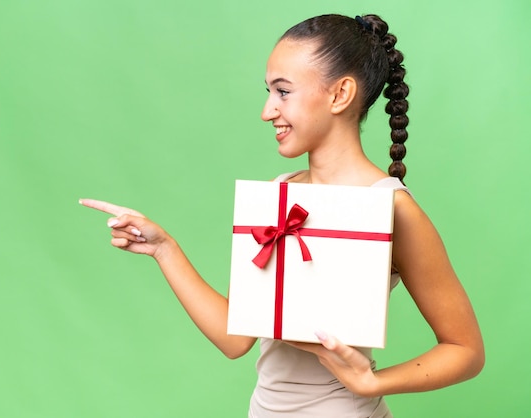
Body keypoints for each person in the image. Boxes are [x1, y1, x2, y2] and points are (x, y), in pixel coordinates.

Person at [80, 13, 484, 417]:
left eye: (283, 91)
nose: (267, 110)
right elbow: (234, 339)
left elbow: (465, 350)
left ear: (340, 94)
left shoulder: (392, 207)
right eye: (269, 91)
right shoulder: (279, 192)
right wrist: (164, 249)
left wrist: (373, 382)